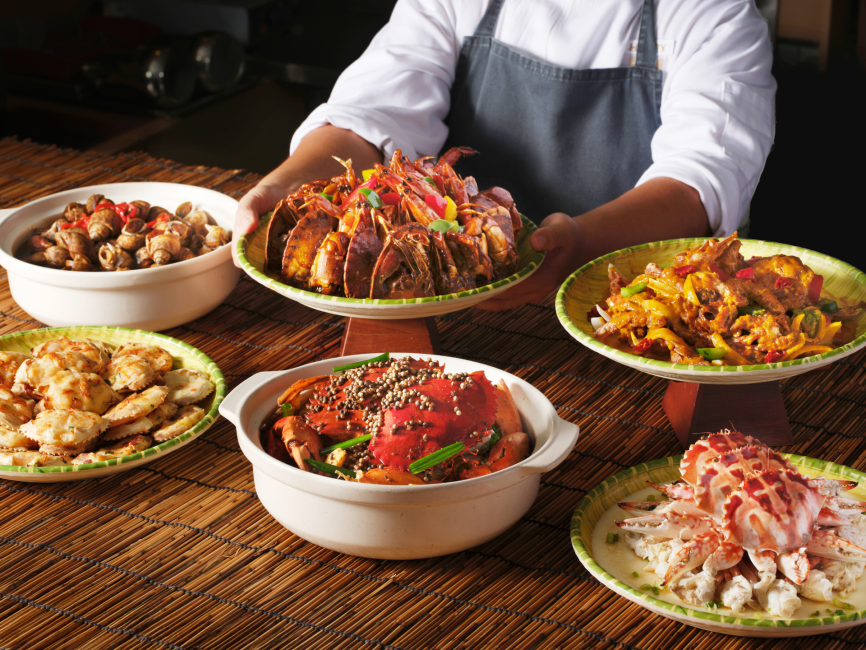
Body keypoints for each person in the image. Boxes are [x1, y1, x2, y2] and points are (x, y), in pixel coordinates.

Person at [233, 0, 775, 310]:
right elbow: (373, 113)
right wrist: (284, 187)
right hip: (448, 297)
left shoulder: (713, 14)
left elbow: (698, 182)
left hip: (622, 310)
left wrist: (578, 244)